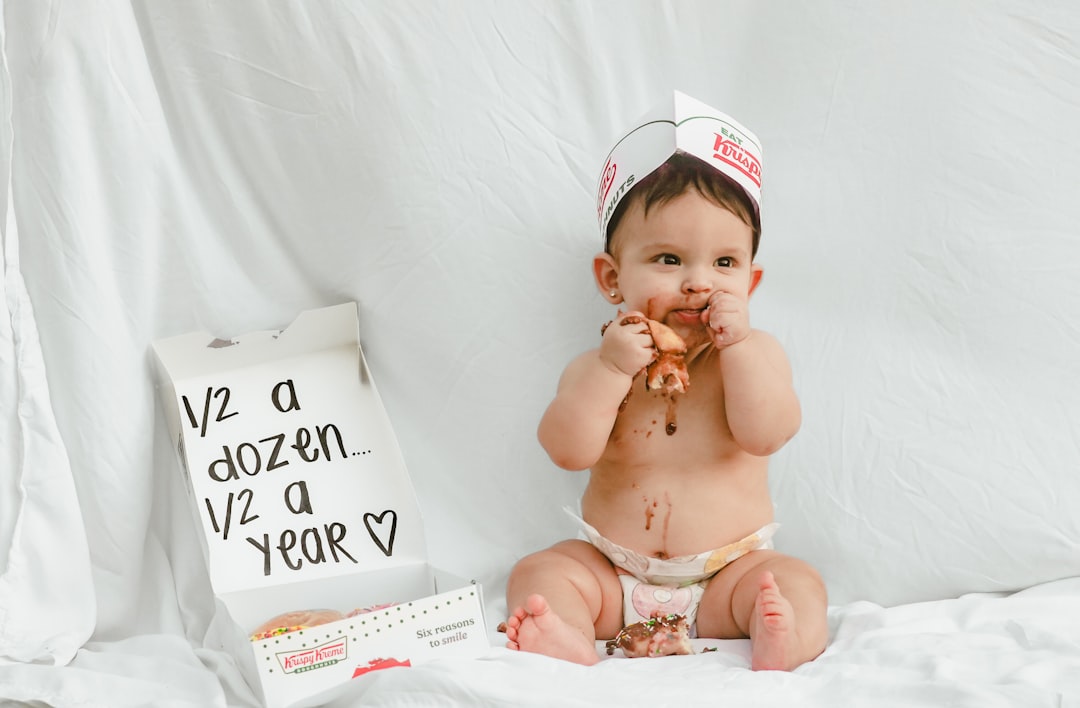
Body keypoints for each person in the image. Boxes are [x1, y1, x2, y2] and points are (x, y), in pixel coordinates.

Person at [502, 99, 828, 671]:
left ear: (750, 283)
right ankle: (568, 635)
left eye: (724, 263)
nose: (699, 282)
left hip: (728, 574)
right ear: (612, 277)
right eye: (669, 259)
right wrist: (610, 373)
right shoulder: (597, 366)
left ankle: (783, 639)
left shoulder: (755, 355)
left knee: (796, 581)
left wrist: (739, 349)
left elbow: (767, 434)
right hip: (613, 575)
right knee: (541, 571)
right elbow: (566, 450)